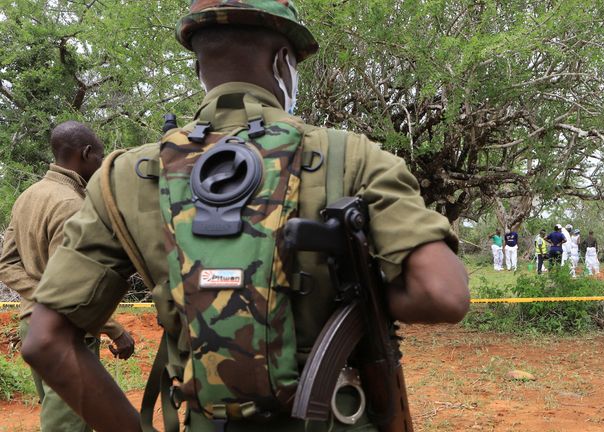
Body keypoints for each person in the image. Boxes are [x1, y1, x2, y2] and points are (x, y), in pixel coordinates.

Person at [20, 3, 470, 431]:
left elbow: (45, 342)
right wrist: (355, 302)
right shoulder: (353, 158)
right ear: (282, 63)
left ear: (199, 66)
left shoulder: (121, 178)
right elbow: (443, 294)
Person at [0, 121, 134, 432]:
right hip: (67, 331)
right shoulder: (74, 206)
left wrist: (42, 297)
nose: (101, 164)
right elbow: (75, 286)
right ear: (86, 154)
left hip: (32, 326)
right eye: (100, 157)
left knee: (64, 417)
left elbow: (6, 264)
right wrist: (114, 328)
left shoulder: (28, 196)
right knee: (69, 425)